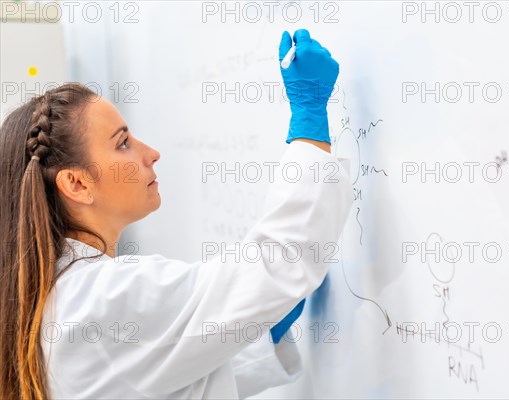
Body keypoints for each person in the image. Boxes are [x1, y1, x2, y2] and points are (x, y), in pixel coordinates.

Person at [0, 29, 352, 399]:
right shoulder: (101, 299)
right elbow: (276, 263)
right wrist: (310, 115)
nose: (151, 153)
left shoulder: (64, 297)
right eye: (122, 143)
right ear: (77, 185)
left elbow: (159, 377)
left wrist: (265, 332)